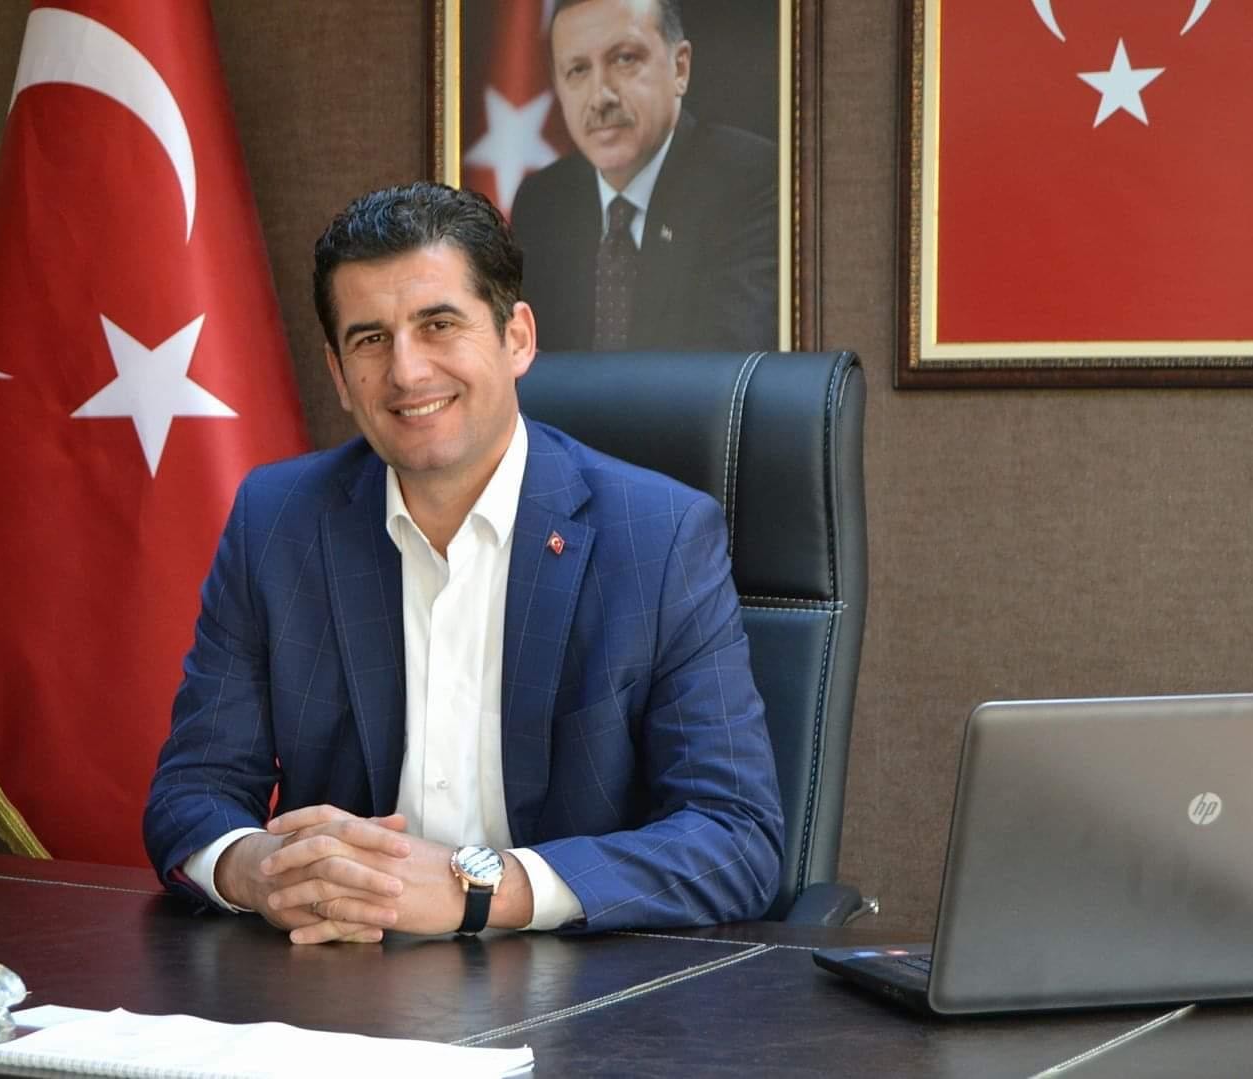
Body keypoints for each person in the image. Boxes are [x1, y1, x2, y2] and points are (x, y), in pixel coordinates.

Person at [143, 182, 783, 943]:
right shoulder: (278, 520)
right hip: (340, 973)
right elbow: (192, 792)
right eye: (370, 340)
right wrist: (261, 869)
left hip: (577, 983)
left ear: (517, 338)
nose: (407, 372)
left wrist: (478, 889)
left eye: (438, 324)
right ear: (339, 375)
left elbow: (736, 837)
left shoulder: (659, 538)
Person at [512, 0, 778, 353]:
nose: (600, 97)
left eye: (624, 59)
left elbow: (722, 364)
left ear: (680, 68)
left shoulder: (748, 182)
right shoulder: (543, 201)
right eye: (577, 70)